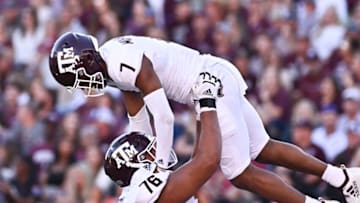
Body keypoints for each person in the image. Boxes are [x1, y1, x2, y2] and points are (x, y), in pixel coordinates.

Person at [48, 32, 358, 203]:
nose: (79, 84)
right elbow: (139, 127)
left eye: (75, 76)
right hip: (208, 78)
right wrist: (141, 158)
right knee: (261, 147)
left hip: (207, 83)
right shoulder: (112, 67)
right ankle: (343, 178)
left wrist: (160, 167)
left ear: (86, 59)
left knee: (237, 172)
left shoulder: (120, 63)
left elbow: (164, 117)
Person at [103, 74, 222, 203]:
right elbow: (209, 160)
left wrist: (122, 76)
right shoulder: (143, 192)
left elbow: (137, 116)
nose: (157, 150)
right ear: (138, 163)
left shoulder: (135, 190)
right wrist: (207, 99)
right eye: (150, 151)